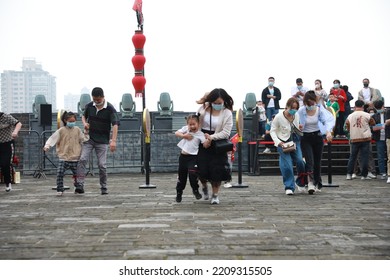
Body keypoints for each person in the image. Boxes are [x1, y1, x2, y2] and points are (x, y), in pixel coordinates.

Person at [75, 87, 120, 195]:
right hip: (89, 138)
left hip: (103, 140)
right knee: (82, 160)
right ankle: (79, 184)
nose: (96, 101)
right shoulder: (89, 106)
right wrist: (85, 123)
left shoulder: (110, 108)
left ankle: (103, 187)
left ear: (103, 97)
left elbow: (115, 124)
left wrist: (113, 141)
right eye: (94, 99)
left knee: (102, 165)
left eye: (98, 100)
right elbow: (83, 116)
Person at [197, 88, 234, 204]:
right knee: (201, 169)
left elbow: (226, 132)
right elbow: (197, 126)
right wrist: (204, 139)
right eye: (215, 103)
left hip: (218, 142)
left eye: (220, 103)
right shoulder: (203, 109)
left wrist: (211, 138)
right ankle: (204, 186)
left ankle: (215, 194)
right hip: (202, 139)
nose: (217, 105)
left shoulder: (227, 113)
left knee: (217, 170)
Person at [298, 91, 335, 194]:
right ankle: (310, 183)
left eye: (312, 103)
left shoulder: (319, 110)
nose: (310, 105)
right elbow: (295, 122)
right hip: (305, 137)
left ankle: (317, 182)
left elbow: (328, 120)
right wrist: (299, 126)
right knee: (310, 161)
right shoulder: (301, 110)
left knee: (317, 162)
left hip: (317, 137)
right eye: (308, 103)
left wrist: (328, 132)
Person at [43, 111, 86, 196]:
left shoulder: (77, 130)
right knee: (60, 173)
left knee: (78, 174)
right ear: (65, 121)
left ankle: (78, 188)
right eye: (70, 121)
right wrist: (47, 145)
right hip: (64, 157)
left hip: (75, 157)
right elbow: (52, 138)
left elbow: (83, 139)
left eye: (73, 121)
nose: (72, 123)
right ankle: (60, 188)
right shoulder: (61, 131)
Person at [270, 97, 306, 195]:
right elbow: (272, 130)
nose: (294, 110)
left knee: (300, 161)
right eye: (292, 108)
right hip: (282, 141)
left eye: (296, 108)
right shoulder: (278, 117)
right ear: (287, 107)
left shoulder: (296, 115)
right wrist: (278, 142)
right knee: (287, 165)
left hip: (295, 140)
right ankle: (289, 186)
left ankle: (300, 182)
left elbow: (296, 127)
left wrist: (299, 128)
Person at [174, 114, 206, 202]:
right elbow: (176, 133)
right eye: (190, 124)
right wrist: (184, 136)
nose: (192, 126)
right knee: (182, 177)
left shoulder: (200, 134)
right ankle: (179, 192)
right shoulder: (186, 129)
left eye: (194, 124)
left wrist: (209, 140)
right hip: (183, 157)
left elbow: (205, 144)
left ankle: (195, 190)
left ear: (198, 124)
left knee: (193, 174)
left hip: (193, 157)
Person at [345, 100, 376, 180]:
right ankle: (364, 175)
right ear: (362, 106)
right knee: (364, 157)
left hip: (354, 138)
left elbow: (347, 127)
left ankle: (349, 174)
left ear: (355, 106)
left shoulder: (350, 116)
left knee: (352, 157)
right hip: (365, 138)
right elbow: (373, 123)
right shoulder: (367, 115)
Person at [0, 112, 22, 192]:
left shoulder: (6, 117)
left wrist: (15, 132)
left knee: (5, 164)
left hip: (7, 143)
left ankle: (8, 183)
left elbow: (18, 123)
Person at [371, 100, 387, 180]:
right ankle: (382, 172)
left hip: (388, 137)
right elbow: (371, 128)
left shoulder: (388, 114)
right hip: (379, 138)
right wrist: (381, 126)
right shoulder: (374, 116)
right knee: (380, 156)